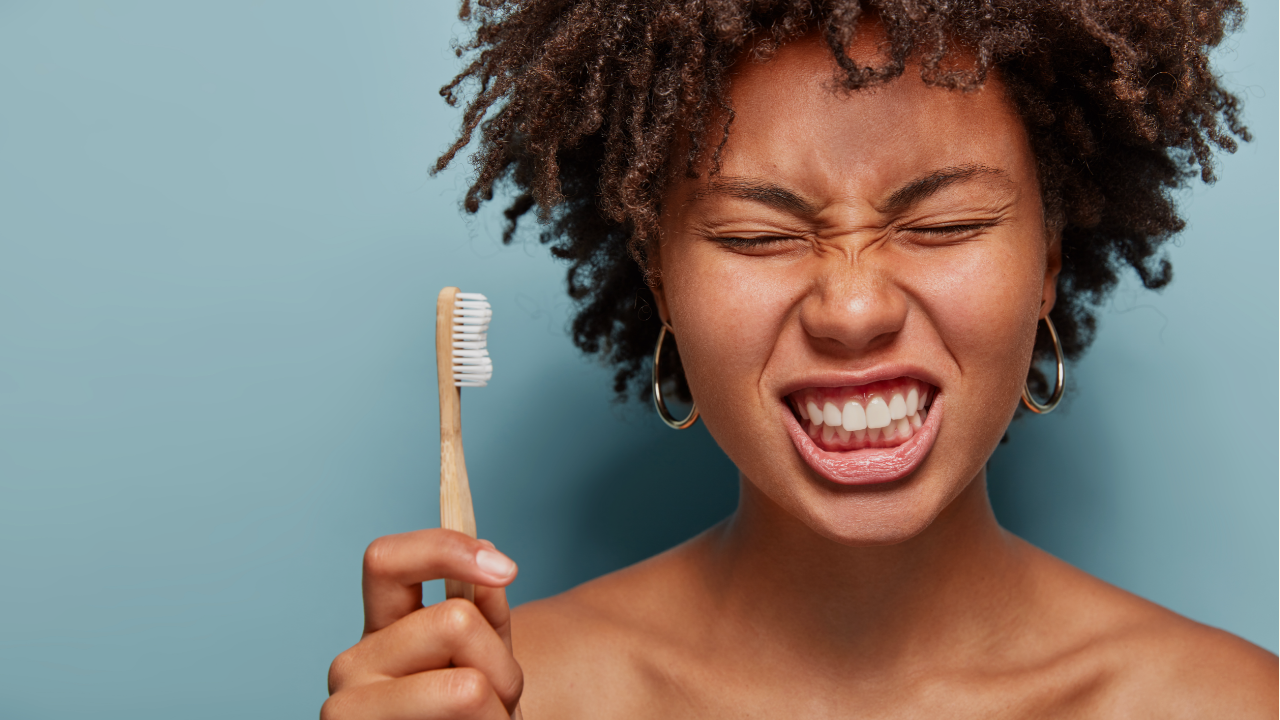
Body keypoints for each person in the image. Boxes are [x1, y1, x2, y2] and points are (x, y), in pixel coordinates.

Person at [323, 1, 1277, 717]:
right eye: (754, 236)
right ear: (660, 281)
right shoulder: (502, 702)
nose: (852, 308)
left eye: (945, 223)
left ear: (1048, 263)